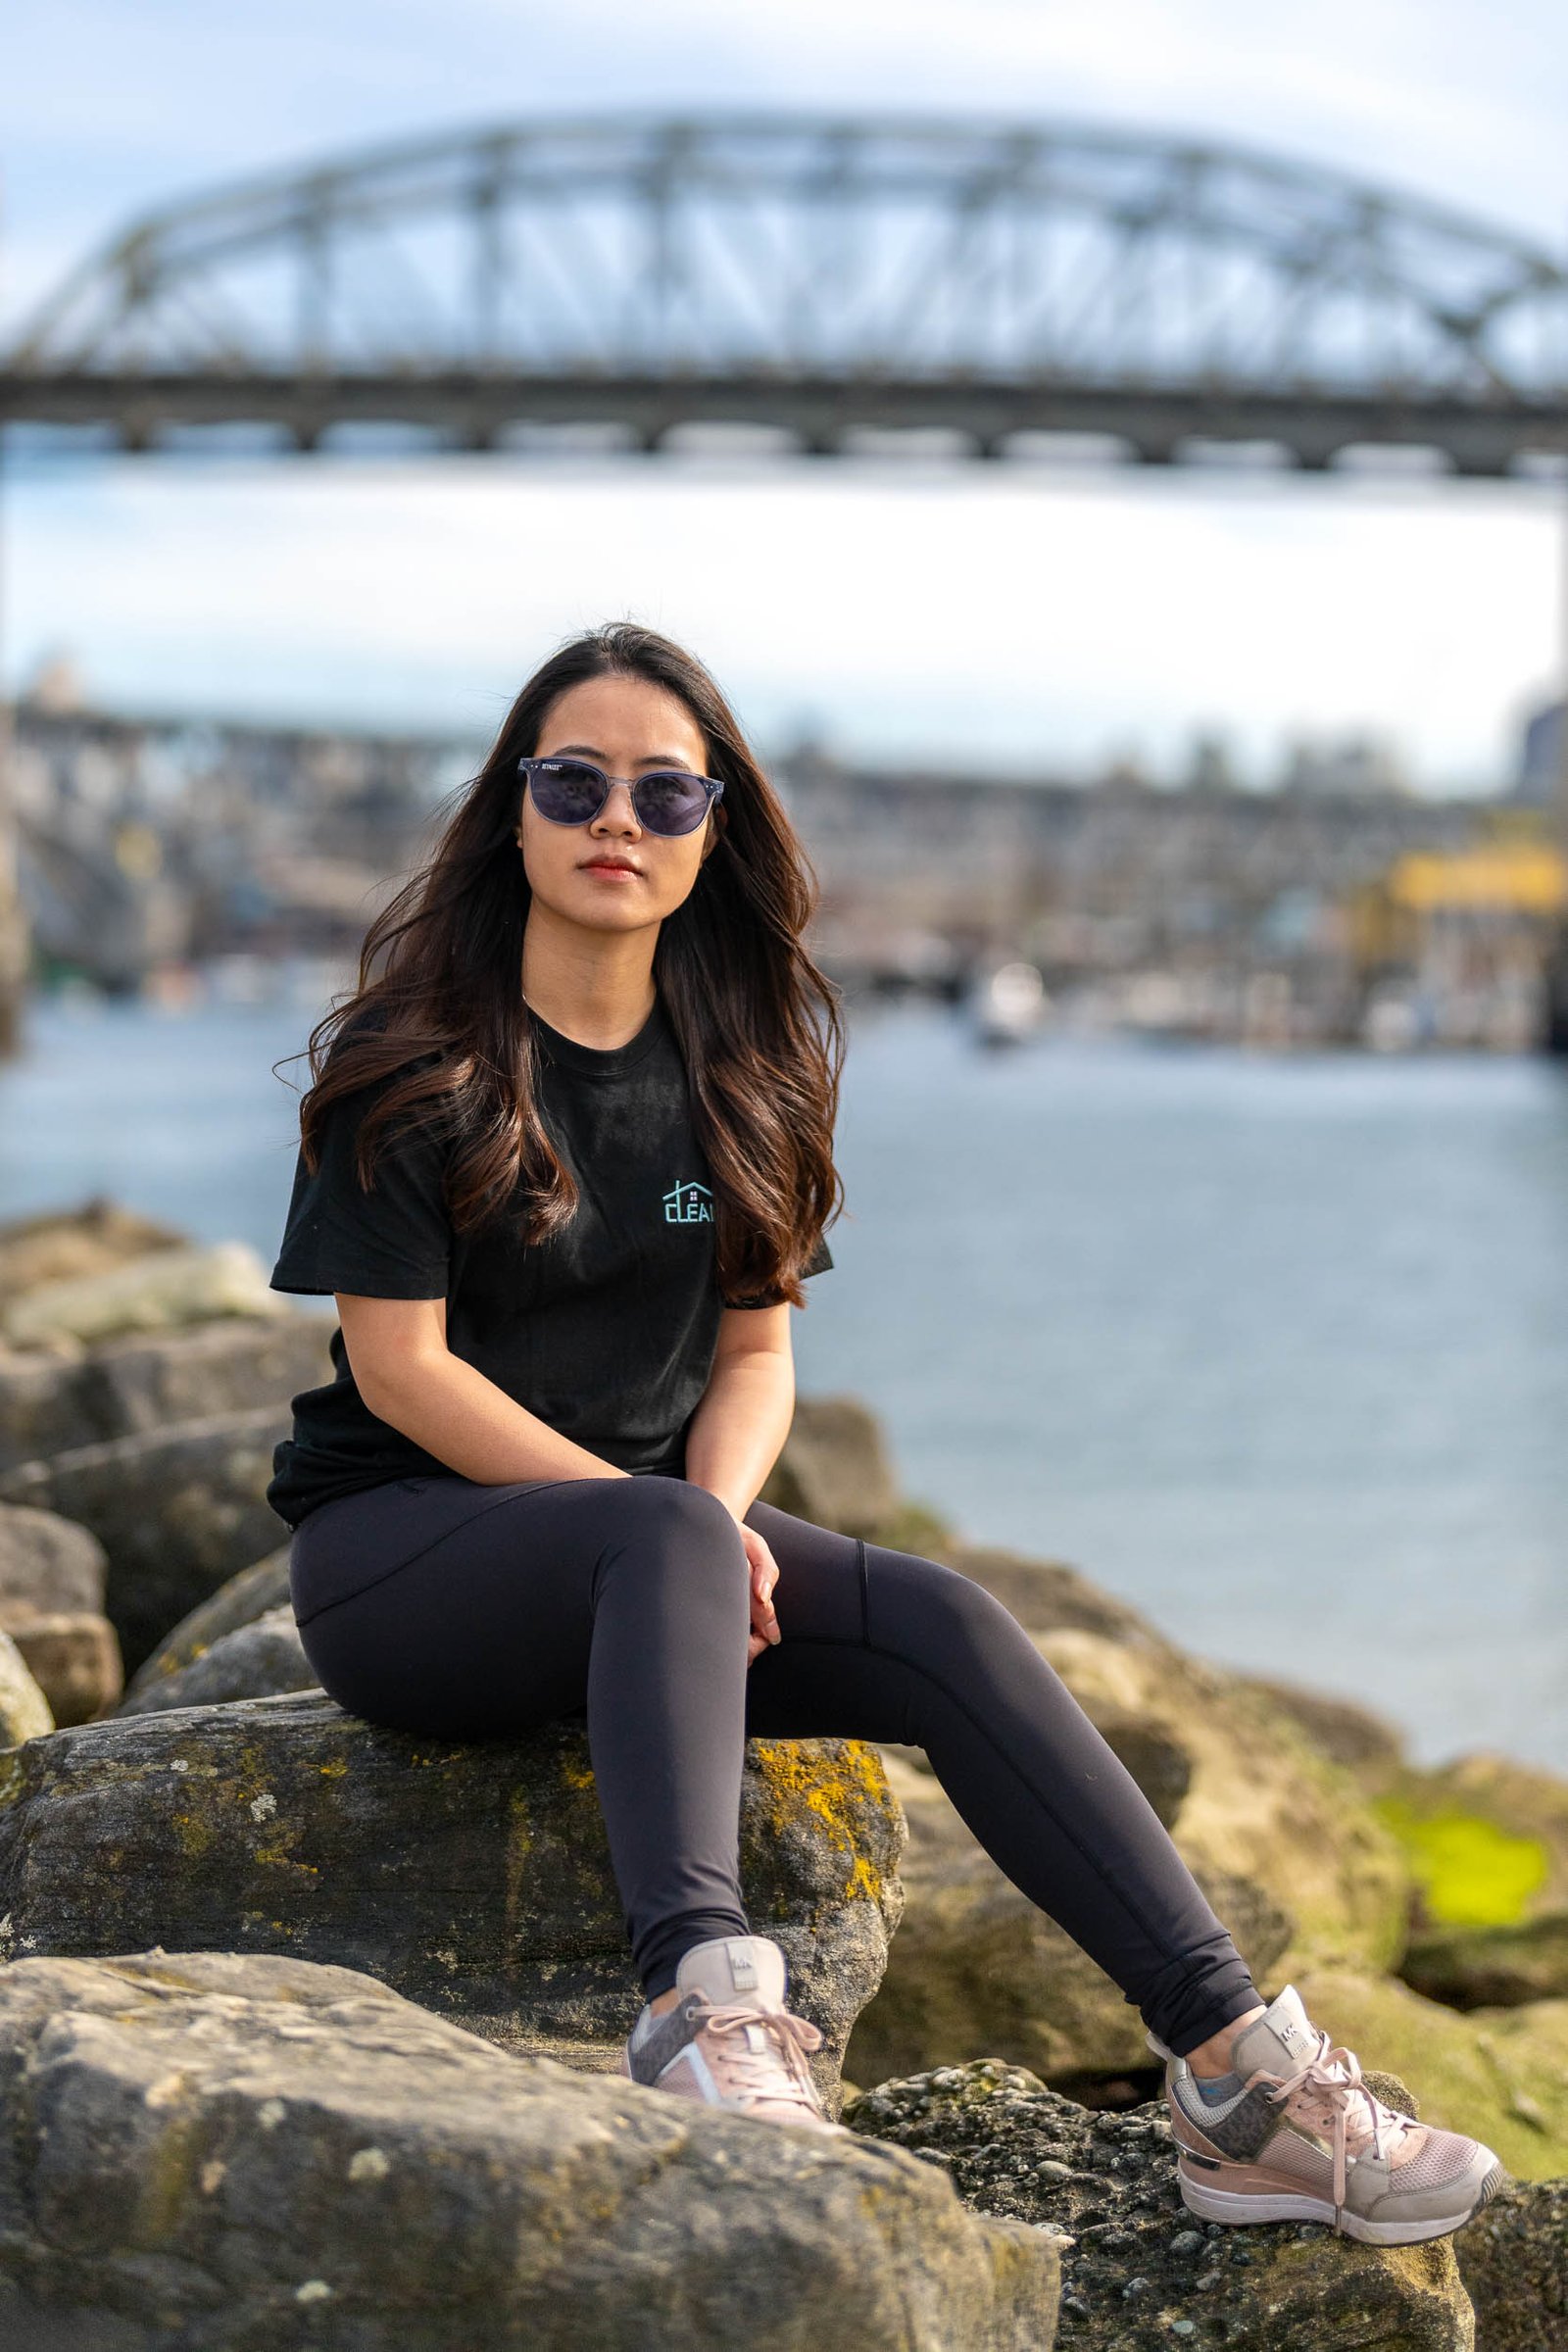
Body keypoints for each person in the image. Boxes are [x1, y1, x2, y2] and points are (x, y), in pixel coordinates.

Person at [266, 621, 1504, 2246]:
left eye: (662, 789)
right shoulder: (414, 1068)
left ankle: (1237, 2079)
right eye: (572, 783)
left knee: (940, 1615)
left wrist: (707, 1521)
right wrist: (689, 1535)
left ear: (717, 829)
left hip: (648, 1565)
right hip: (407, 1563)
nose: (614, 819)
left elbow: (757, 1351)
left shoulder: (737, 1078)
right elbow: (405, 1372)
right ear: (512, 811)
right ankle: (703, 2014)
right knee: (654, 1528)